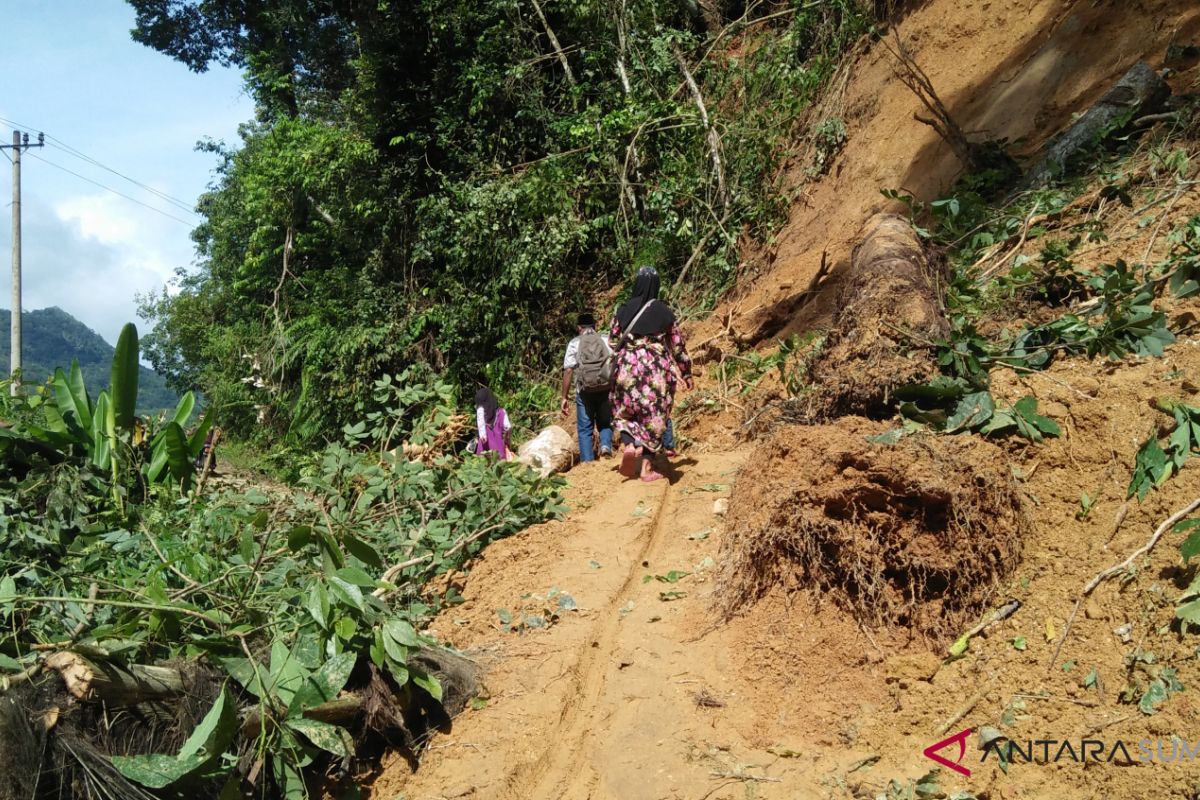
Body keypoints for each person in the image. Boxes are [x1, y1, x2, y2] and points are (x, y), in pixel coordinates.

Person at [609, 266, 692, 481]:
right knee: (654, 419)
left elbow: (611, 340)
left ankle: (628, 445)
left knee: (623, 411)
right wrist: (686, 372)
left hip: (625, 367)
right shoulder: (663, 311)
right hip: (654, 371)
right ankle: (645, 468)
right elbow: (678, 345)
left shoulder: (623, 309)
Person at [560, 312, 614, 461]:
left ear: (579, 327)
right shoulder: (605, 339)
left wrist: (563, 397)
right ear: (595, 325)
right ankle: (605, 446)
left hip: (584, 392)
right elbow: (616, 360)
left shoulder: (574, 343)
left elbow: (569, 370)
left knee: (585, 429)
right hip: (605, 388)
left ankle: (587, 462)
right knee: (605, 421)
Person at [474, 387, 513, 460]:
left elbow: (481, 430)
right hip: (499, 449)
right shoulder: (502, 412)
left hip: (484, 449)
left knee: (483, 467)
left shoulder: (480, 412)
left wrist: (483, 435)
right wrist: (507, 441)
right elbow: (508, 427)